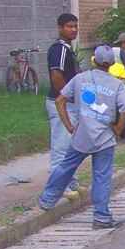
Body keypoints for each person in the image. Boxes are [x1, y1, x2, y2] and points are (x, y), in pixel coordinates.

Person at [38, 45, 125, 229]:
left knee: (66, 166)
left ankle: (47, 199)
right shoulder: (117, 85)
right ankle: (101, 218)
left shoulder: (80, 79)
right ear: (112, 64)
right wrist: (119, 128)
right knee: (102, 177)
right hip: (104, 139)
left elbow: (60, 100)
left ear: (94, 60)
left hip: (81, 135)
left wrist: (69, 126)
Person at [46, 13, 81, 197]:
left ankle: (70, 181)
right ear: (60, 28)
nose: (73, 29)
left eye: (75, 26)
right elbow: (56, 76)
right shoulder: (59, 49)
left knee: (71, 146)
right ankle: (57, 188)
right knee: (61, 146)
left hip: (69, 104)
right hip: (60, 103)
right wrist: (65, 97)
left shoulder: (68, 48)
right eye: (69, 26)